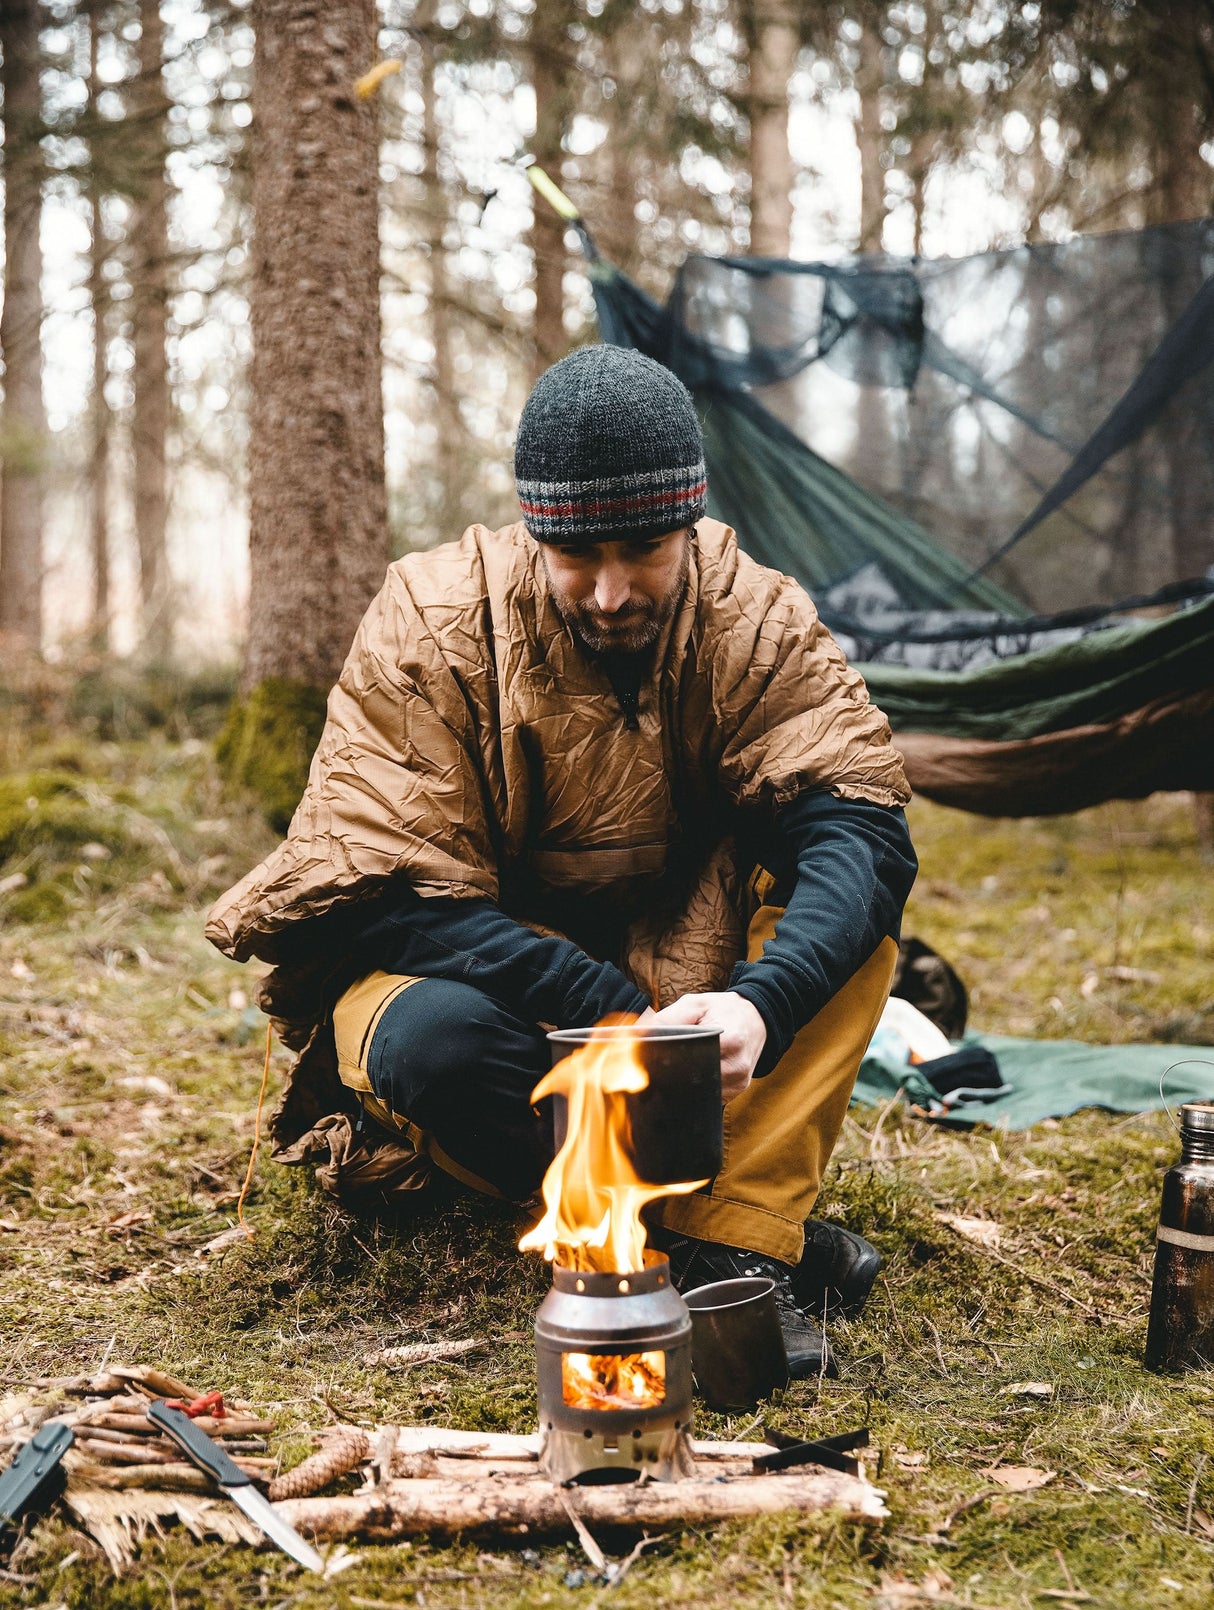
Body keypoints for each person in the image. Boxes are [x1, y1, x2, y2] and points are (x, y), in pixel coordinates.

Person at [207, 344, 917, 1375]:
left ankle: (729, 1247)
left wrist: (758, 1003)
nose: (607, 590)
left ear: (689, 522)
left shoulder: (753, 616)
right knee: (428, 1044)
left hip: (693, 989)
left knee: (845, 926)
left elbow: (858, 827)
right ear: (532, 530)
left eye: (641, 549)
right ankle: (728, 1241)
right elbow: (377, 894)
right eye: (576, 553)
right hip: (484, 995)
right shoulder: (431, 621)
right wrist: (608, 1010)